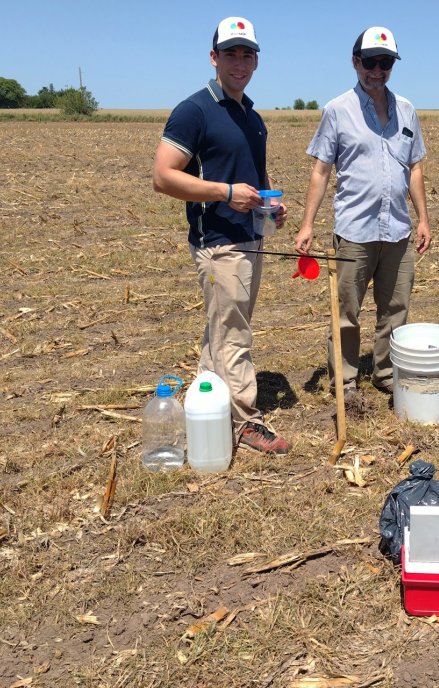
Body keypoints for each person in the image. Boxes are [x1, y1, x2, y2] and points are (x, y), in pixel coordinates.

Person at [152, 16, 290, 455]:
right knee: (233, 334)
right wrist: (225, 193)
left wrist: (271, 206)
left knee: (223, 330)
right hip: (218, 242)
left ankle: (205, 406)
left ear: (256, 61)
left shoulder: (252, 117)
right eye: (230, 53)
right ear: (214, 58)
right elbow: (162, 176)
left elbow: (254, 175)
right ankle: (246, 421)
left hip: (249, 238)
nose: (239, 62)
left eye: (247, 54)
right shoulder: (195, 110)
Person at [295, 26, 431, 396]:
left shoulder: (406, 110)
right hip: (354, 230)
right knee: (346, 312)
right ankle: (345, 379)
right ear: (355, 62)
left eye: (385, 62)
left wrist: (422, 219)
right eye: (370, 61)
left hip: (398, 231)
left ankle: (387, 375)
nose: (377, 69)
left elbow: (414, 166)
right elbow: (321, 170)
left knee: (396, 308)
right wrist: (307, 224)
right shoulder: (338, 110)